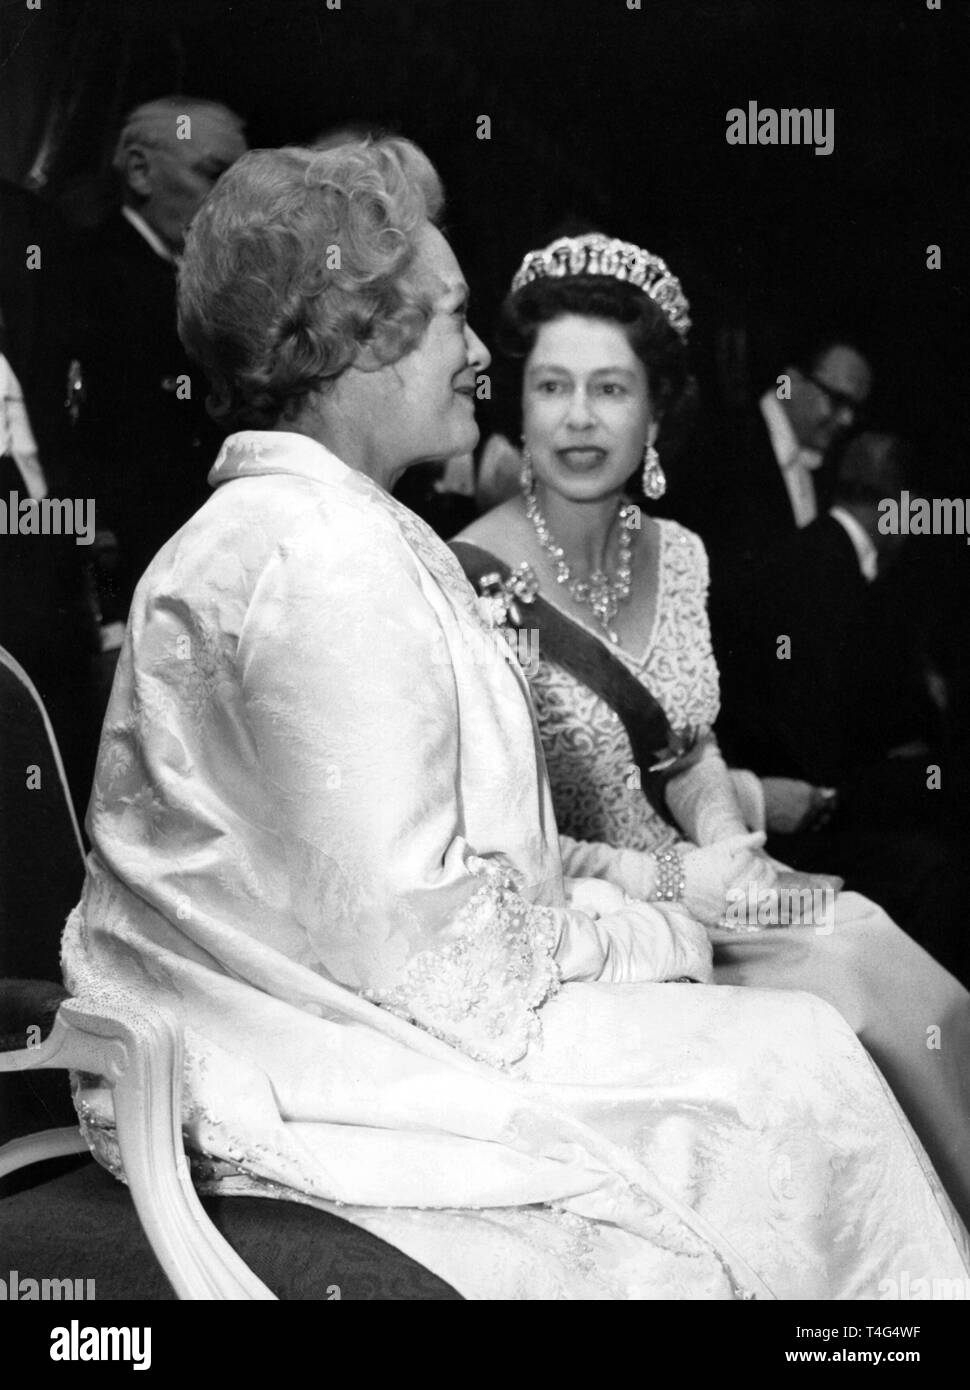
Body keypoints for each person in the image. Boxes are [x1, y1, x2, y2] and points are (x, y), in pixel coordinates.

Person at [62, 148, 969, 1301]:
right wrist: (654, 933)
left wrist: (645, 887)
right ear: (358, 336)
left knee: (828, 1001)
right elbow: (440, 966)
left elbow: (471, 850)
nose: (482, 355)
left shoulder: (317, 529)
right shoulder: (323, 558)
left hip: (343, 1002)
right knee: (795, 1064)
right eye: (450, 318)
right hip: (315, 1051)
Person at [452, 231, 970, 1226]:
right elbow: (502, 843)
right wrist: (684, 883)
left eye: (611, 388)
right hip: (589, 927)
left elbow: (686, 749)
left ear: (656, 409)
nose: (578, 418)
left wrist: (733, 849)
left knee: (885, 958)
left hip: (713, 889)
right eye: (553, 386)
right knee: (842, 1011)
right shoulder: (471, 577)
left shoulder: (680, 555)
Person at [71, 97, 248, 625]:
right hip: (131, 585)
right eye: (213, 175)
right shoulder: (92, 280)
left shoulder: (204, 281)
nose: (229, 203)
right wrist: (106, 614)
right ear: (141, 171)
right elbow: (94, 464)